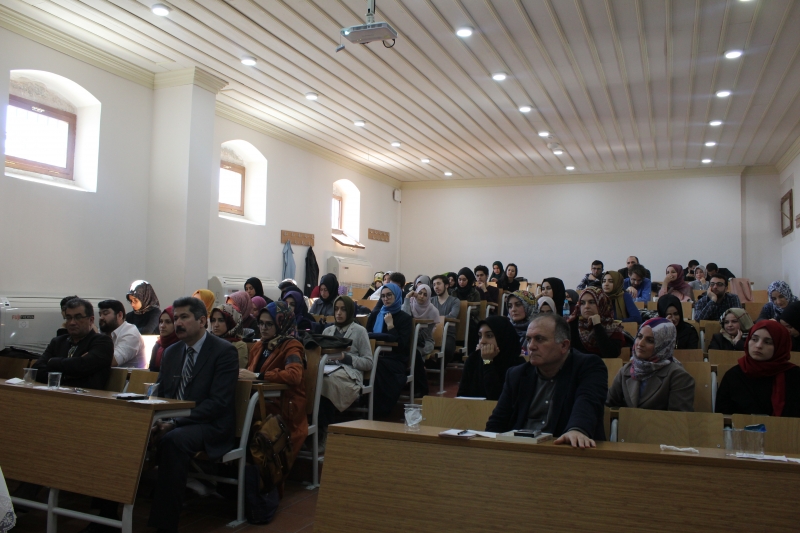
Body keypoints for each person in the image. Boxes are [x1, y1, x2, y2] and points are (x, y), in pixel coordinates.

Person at [147, 297, 238, 532]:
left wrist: (175, 422)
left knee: (173, 441)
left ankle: (163, 525)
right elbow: (162, 394)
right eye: (176, 318)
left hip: (209, 424)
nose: (178, 323)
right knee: (129, 430)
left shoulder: (223, 351)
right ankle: (108, 511)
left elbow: (218, 403)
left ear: (202, 321)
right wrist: (156, 420)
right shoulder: (171, 352)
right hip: (173, 421)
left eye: (184, 317)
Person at [485, 314, 608, 448]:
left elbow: (588, 402)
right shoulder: (516, 374)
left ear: (564, 345)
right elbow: (496, 423)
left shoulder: (588, 366)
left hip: (565, 449)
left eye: (539, 339)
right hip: (520, 451)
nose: (531, 346)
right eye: (528, 339)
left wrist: (577, 429)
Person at [240, 302, 307, 455]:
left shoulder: (292, 346)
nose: (263, 328)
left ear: (281, 324)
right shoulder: (259, 345)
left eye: (269, 324)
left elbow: (294, 375)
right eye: (261, 323)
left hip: (283, 405)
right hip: (261, 401)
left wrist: (259, 376)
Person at [606, 318, 695, 411]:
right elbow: (608, 406)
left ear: (663, 345)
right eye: (639, 336)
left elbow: (678, 418)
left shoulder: (679, 377)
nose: (640, 343)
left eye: (650, 340)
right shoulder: (626, 370)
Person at [319, 296, 373, 447]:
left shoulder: (359, 331)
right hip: (328, 370)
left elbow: (369, 362)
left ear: (349, 311)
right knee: (315, 380)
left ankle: (326, 431)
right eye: (336, 309)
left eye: (343, 309)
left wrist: (346, 358)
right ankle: (315, 429)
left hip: (350, 375)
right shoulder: (328, 331)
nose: (339, 313)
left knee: (326, 383)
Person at [715, 320, 800, 417]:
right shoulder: (734, 375)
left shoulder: (794, 376)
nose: (758, 346)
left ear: (780, 346)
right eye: (754, 339)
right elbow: (723, 416)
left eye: (767, 342)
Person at [32, 298, 113, 389]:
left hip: (85, 395)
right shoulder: (58, 342)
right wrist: (66, 376)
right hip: (55, 393)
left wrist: (51, 361)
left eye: (78, 317)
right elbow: (36, 370)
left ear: (91, 320)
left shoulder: (102, 342)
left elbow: (82, 366)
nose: (72, 322)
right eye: (68, 318)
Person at [367, 283, 412, 416]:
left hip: (395, 360)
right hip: (375, 355)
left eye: (389, 295)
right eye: (383, 296)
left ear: (396, 296)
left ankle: (378, 408)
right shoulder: (375, 315)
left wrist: (391, 326)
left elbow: (402, 345)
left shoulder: (405, 318)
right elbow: (366, 336)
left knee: (377, 365)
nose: (385, 299)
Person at [457, 316, 524, 400]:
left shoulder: (518, 365)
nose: (482, 341)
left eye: (489, 336)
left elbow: (496, 399)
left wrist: (487, 362)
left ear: (502, 337)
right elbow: (461, 396)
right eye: (480, 336)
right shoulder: (473, 359)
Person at [567, 287, 624, 358]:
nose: (586, 306)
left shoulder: (613, 327)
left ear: (601, 303)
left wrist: (597, 325)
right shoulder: (572, 324)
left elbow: (611, 355)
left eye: (591, 302)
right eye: (582, 303)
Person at [97, 300, 146, 368]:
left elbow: (111, 361)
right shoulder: (104, 331)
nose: (101, 318)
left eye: (105, 313)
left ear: (120, 315)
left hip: (129, 375)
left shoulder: (131, 333)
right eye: (100, 314)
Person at [402, 283, 439, 356]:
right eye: (420, 293)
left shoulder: (433, 311)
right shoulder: (409, 304)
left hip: (425, 341)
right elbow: (404, 320)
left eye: (425, 295)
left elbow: (424, 335)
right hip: (408, 338)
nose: (422, 296)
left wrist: (410, 336)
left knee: (416, 351)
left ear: (428, 297)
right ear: (415, 293)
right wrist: (407, 297)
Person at [209, 304, 249, 368]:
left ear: (231, 322)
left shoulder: (239, 346)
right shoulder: (207, 341)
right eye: (213, 320)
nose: (216, 325)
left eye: (221, 320)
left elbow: (239, 371)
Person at [431, 274, 460, 362]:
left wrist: (435, 319)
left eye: (439, 283)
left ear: (446, 285)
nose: (436, 287)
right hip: (431, 333)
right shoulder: (431, 300)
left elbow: (452, 316)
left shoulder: (455, 301)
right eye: (434, 285)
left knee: (447, 349)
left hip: (448, 334)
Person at [149, 307, 178, 372]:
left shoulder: (183, 346)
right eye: (161, 322)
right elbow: (152, 371)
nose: (162, 326)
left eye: (168, 322)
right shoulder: (158, 345)